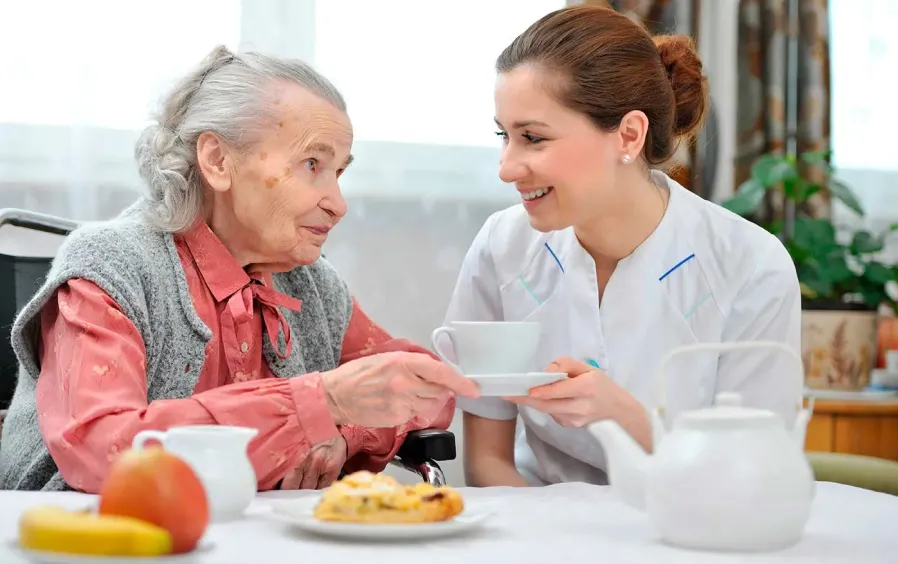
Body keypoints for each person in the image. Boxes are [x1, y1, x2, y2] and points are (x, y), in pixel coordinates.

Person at [0, 46, 479, 492]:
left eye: (339, 173)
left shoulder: (310, 284)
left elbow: (428, 386)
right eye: (312, 163)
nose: (338, 204)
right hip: (91, 552)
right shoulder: (112, 266)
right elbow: (104, 447)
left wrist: (346, 431)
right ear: (218, 160)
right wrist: (321, 403)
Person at [445, 6, 801, 487]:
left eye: (532, 137)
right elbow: (489, 464)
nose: (507, 167)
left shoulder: (751, 267)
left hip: (690, 533)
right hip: (535, 531)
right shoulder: (501, 246)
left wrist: (623, 416)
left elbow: (755, 474)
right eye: (503, 136)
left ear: (628, 135)